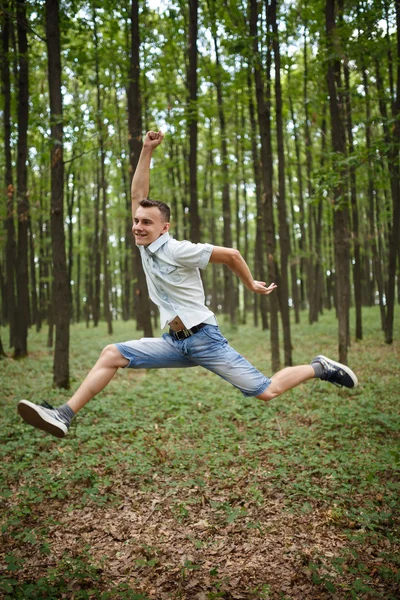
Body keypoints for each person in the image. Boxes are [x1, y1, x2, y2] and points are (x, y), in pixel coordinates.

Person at [18, 131, 358, 439]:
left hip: (204, 340)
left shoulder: (179, 249)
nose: (137, 226)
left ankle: (320, 368)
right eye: (136, 221)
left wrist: (251, 284)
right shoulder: (144, 244)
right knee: (111, 354)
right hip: (175, 342)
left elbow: (231, 254)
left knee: (266, 391)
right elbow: (138, 193)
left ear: (164, 228)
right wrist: (146, 151)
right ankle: (63, 414)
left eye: (146, 223)